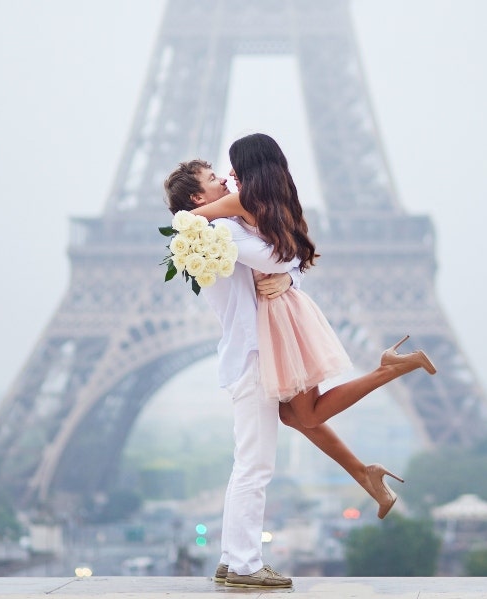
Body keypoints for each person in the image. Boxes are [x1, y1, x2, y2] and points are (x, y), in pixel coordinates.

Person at [163, 157, 430, 588]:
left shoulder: (219, 227)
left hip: (260, 352)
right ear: (197, 197)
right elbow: (280, 254)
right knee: (255, 465)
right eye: (214, 180)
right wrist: (245, 204)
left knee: (269, 445)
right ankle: (245, 564)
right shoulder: (218, 230)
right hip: (253, 357)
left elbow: (283, 264)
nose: (224, 181)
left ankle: (235, 558)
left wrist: (284, 273)